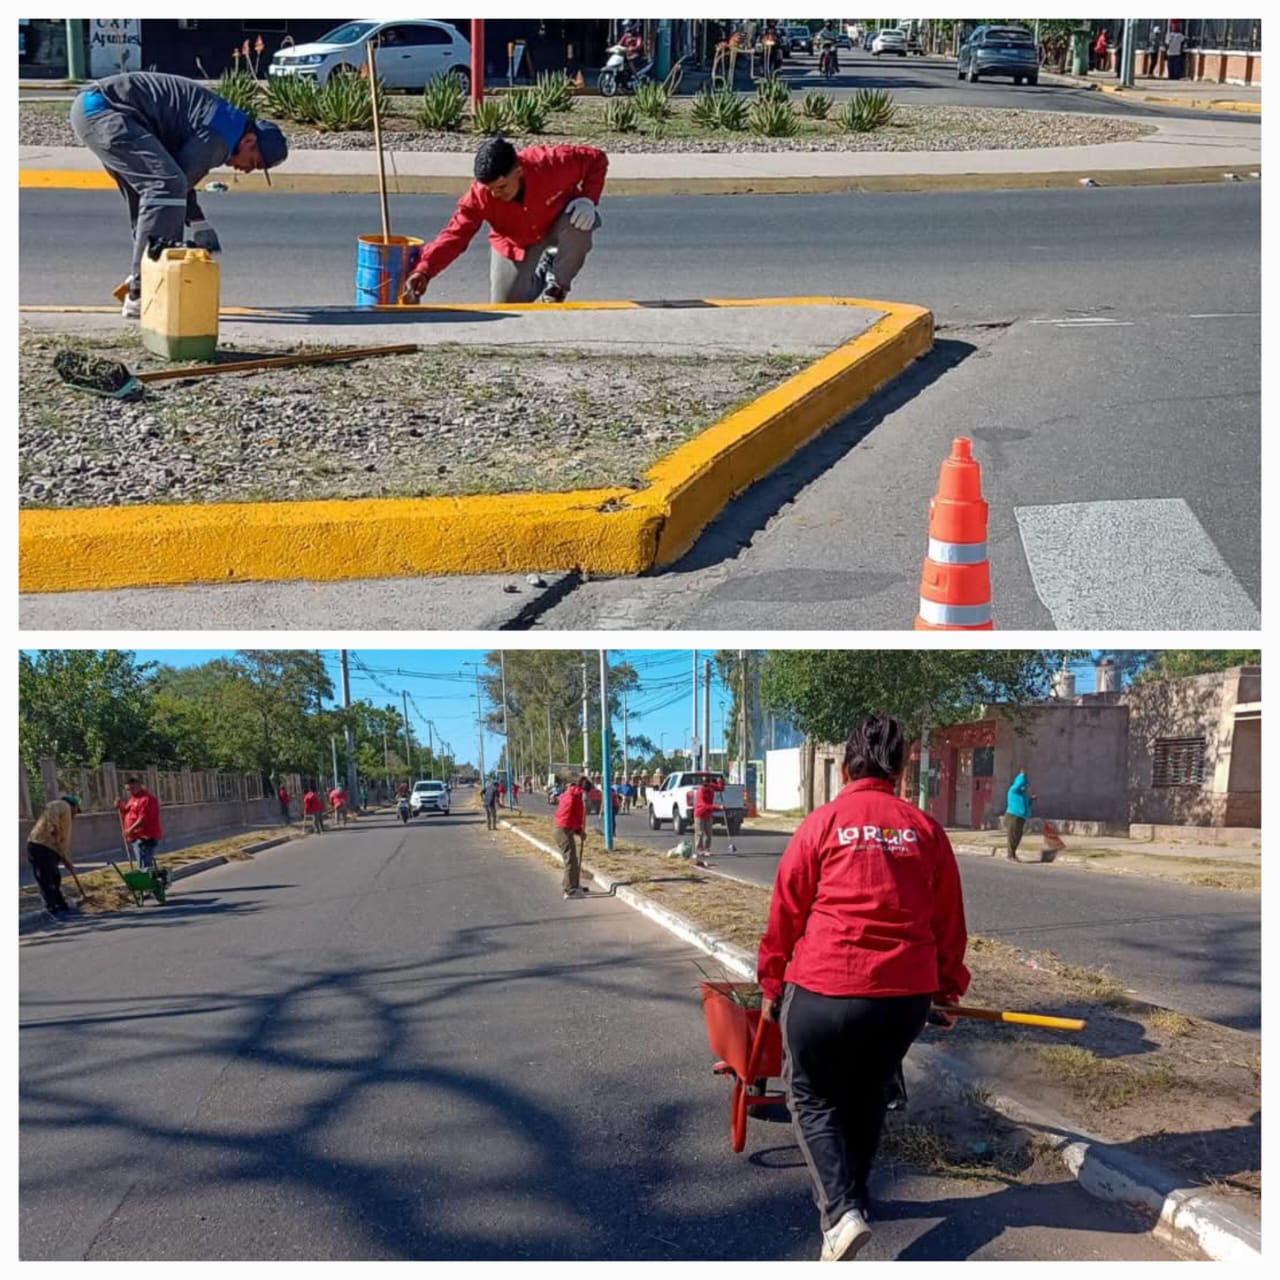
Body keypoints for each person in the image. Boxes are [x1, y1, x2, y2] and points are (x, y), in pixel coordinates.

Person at [757, 714, 969, 1262]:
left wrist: (772, 976)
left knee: (809, 1093)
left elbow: (787, 908)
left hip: (825, 987)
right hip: (903, 999)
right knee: (870, 1088)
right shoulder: (924, 829)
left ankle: (838, 1215)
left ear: (849, 763)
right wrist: (948, 988)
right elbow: (948, 920)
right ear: (899, 769)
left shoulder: (822, 823)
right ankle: (859, 1196)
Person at [68, 71, 288, 318]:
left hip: (98, 109)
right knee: (163, 187)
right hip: (105, 112)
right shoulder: (219, 138)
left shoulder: (225, 124)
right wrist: (198, 223)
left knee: (153, 193)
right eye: (255, 163)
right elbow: (177, 184)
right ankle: (144, 291)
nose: (247, 170)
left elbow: (177, 178)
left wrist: (197, 221)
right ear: (249, 141)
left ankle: (145, 271)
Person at [405, 136, 608, 305]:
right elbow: (455, 234)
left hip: (558, 223)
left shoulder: (551, 162)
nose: (495, 194)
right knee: (508, 304)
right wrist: (424, 271)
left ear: (518, 171)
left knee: (579, 224)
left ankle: (558, 286)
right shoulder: (479, 196)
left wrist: (588, 198)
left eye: (501, 187)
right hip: (515, 242)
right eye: (490, 188)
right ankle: (547, 264)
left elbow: (597, 159)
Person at [27, 794, 82, 914]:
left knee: (55, 878)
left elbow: (61, 846)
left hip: (51, 850)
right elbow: (51, 807)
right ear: (73, 806)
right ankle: (52, 908)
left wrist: (66, 861)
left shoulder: (65, 821)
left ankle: (61, 905)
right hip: (40, 846)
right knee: (46, 879)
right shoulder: (64, 805)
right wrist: (53, 826)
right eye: (76, 811)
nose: (75, 814)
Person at [117, 776, 165, 882]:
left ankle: (148, 885)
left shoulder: (147, 799)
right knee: (142, 862)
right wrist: (120, 806)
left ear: (139, 786)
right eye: (128, 790)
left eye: (132, 789)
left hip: (145, 837)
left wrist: (130, 830)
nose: (130, 792)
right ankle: (150, 884)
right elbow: (127, 812)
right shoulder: (133, 799)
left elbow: (143, 819)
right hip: (135, 836)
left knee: (144, 863)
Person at [554, 775, 592, 899]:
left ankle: (574, 885)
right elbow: (575, 816)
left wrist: (579, 831)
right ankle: (569, 890)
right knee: (570, 860)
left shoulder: (570, 792)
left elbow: (572, 817)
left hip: (564, 828)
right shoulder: (576, 797)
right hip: (563, 830)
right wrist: (580, 831)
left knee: (573, 859)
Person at [694, 775, 724, 865]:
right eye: (704, 784)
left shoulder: (711, 787)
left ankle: (707, 849)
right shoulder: (701, 791)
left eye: (707, 783)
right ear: (702, 784)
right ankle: (699, 849)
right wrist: (718, 807)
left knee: (708, 832)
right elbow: (704, 805)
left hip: (708, 814)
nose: (706, 786)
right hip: (700, 813)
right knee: (700, 832)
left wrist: (720, 781)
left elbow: (720, 788)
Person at [1004, 771, 1033, 861]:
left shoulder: (1023, 794)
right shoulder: (1013, 790)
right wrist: (1022, 776)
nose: (1025, 786)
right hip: (1013, 816)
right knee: (1012, 836)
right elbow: (1018, 784)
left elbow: (1026, 805)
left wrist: (1031, 800)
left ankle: (1013, 854)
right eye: (1024, 784)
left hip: (1021, 817)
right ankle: (1010, 855)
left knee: (1018, 836)